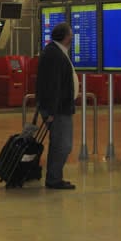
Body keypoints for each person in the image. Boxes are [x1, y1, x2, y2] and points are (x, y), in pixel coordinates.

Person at [36, 21, 77, 190]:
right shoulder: (54, 54)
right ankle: (53, 178)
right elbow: (53, 85)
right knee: (63, 144)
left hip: (60, 108)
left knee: (59, 143)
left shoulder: (55, 51)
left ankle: (54, 176)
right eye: (71, 33)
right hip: (58, 109)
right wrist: (51, 111)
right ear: (66, 37)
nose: (73, 36)